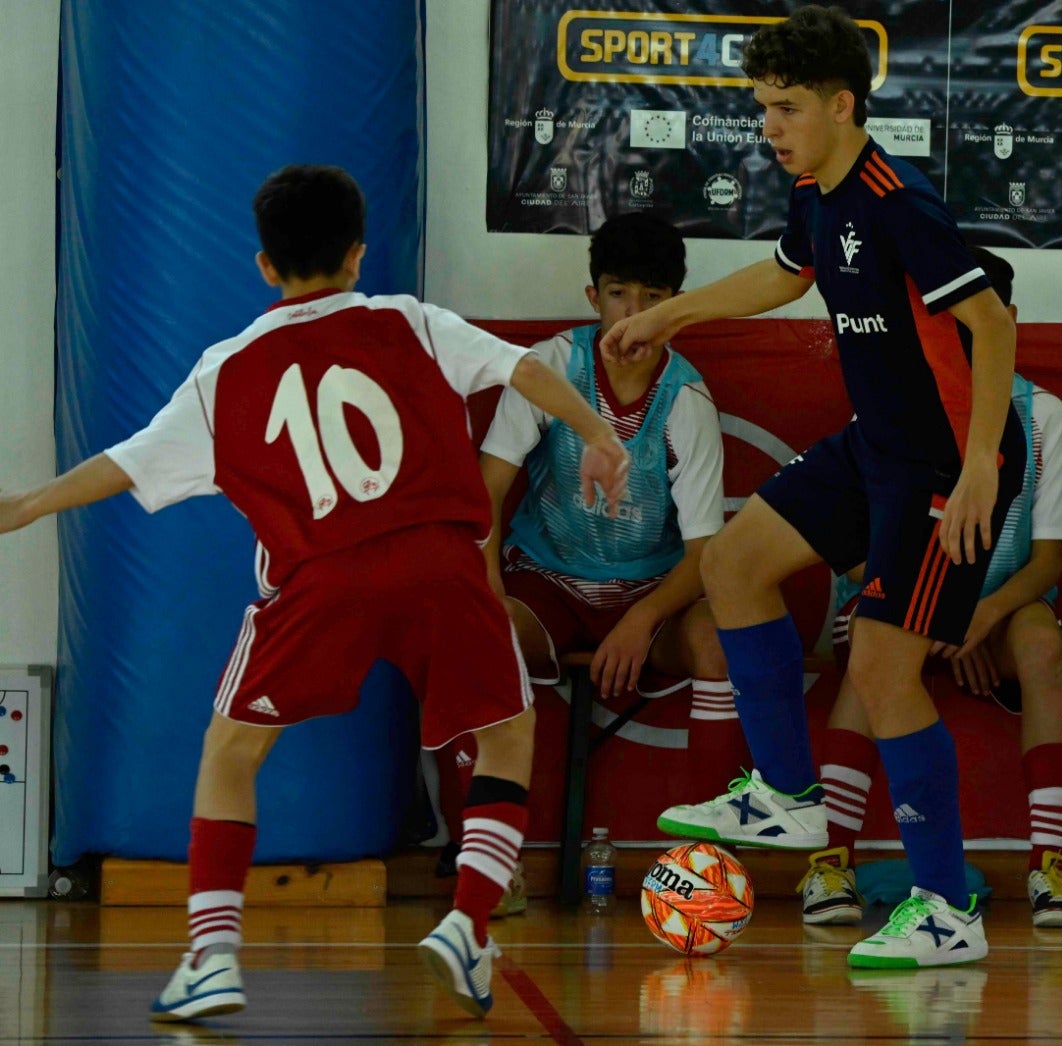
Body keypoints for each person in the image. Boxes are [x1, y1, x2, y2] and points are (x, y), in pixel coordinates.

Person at [0, 165, 629, 1022]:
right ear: (359, 253)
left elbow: (129, 461)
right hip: (441, 561)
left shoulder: (225, 372)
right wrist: (598, 434)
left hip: (323, 575)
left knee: (231, 751)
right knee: (509, 730)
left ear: (264, 265)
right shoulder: (410, 320)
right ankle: (468, 922)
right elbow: (524, 371)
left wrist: (30, 503)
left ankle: (213, 955)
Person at [603, 5, 1024, 968]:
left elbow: (994, 330)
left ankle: (945, 911)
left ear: (843, 104)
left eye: (786, 109)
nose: (769, 127)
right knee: (737, 563)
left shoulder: (899, 202)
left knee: (881, 673)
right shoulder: (814, 192)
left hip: (941, 465)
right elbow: (785, 279)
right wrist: (671, 315)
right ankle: (788, 796)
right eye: (761, 108)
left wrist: (979, 470)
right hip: (875, 446)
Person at [802, 247, 1062, 929]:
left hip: (1002, 602)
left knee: (1045, 653)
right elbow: (851, 554)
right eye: (940, 313)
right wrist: (929, 614)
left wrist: (975, 616)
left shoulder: (1043, 414)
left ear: (1007, 320)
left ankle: (1053, 867)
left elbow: (1047, 564)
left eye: (974, 314)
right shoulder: (888, 405)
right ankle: (829, 864)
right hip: (902, 597)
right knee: (872, 653)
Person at [460, 214, 736, 913]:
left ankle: (708, 868)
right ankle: (493, 866)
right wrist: (488, 597)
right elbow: (484, 494)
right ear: (594, 298)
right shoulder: (552, 367)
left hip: (650, 588)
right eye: (619, 294)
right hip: (546, 584)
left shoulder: (687, 400)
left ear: (678, 305)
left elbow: (706, 554)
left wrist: (642, 618)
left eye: (654, 298)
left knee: (718, 642)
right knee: (472, 638)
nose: (634, 315)